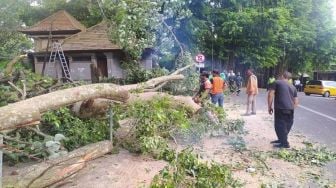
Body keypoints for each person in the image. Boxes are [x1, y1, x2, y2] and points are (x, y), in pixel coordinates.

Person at [268, 71, 299, 148]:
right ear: (289, 79)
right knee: (287, 125)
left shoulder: (277, 82)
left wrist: (269, 106)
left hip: (280, 108)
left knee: (279, 125)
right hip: (290, 109)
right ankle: (281, 139)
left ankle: (285, 144)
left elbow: (271, 94)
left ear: (282, 76)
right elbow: (296, 101)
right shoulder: (293, 87)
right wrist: (292, 108)